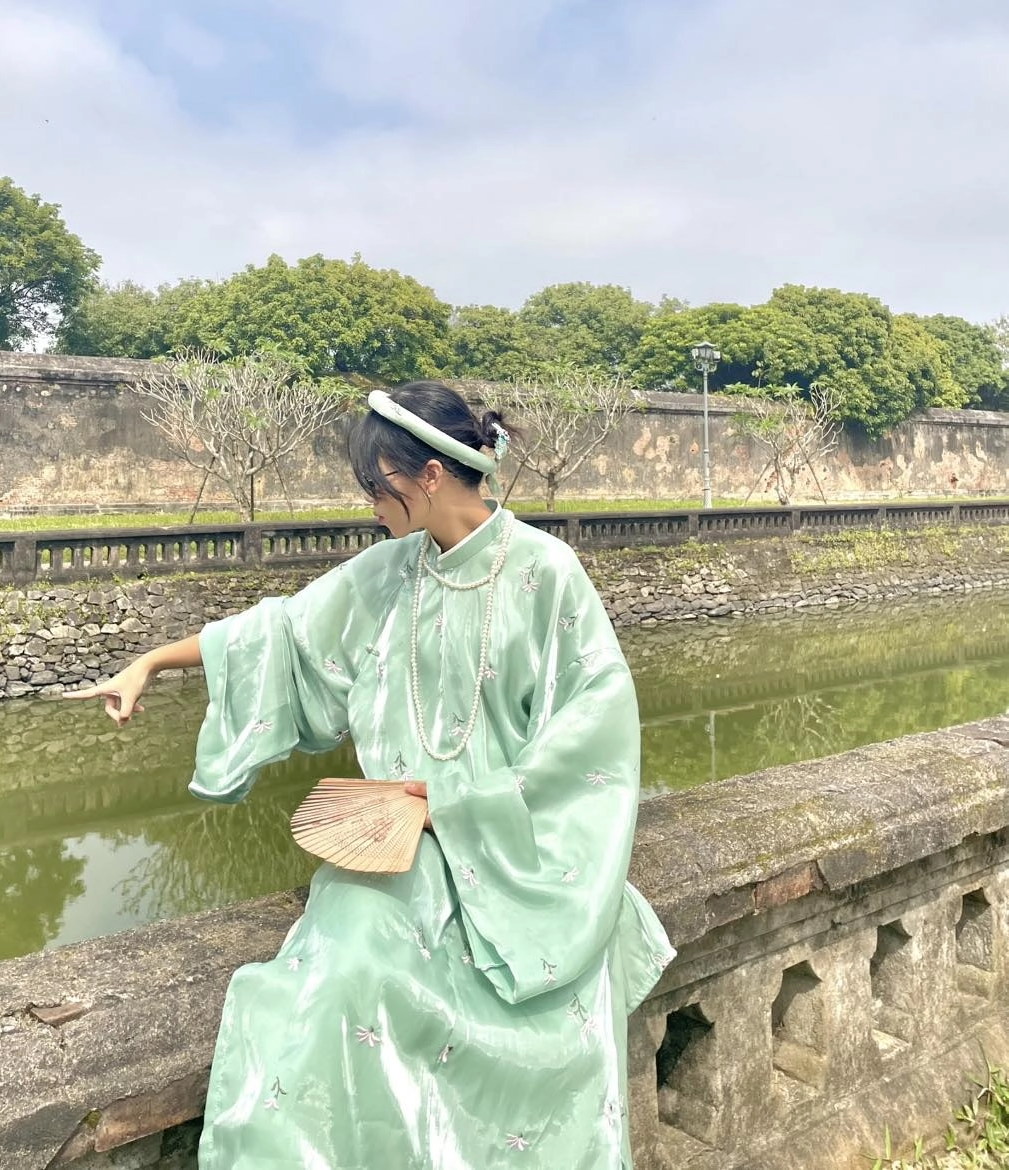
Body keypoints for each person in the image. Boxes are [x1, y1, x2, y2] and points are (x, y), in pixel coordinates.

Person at [67, 382, 674, 1169]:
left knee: (531, 1032)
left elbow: (594, 735)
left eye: (376, 486)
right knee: (336, 980)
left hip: (510, 852)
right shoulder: (388, 572)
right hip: (394, 845)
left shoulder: (546, 572)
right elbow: (281, 634)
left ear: (430, 475)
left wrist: (454, 802)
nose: (370, 505)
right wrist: (150, 661)